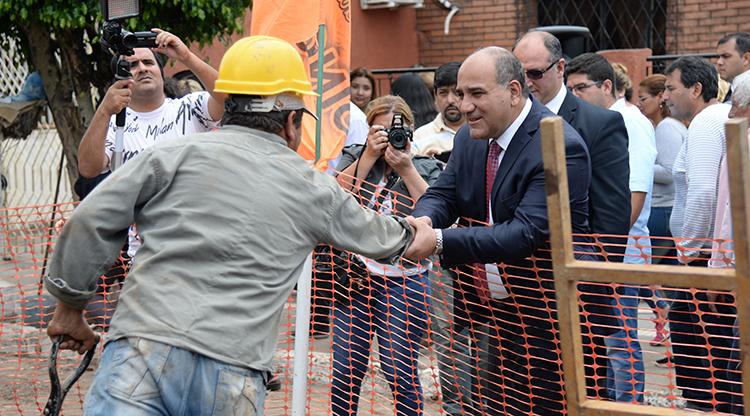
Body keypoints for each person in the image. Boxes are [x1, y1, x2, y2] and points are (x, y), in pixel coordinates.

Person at [43, 35, 434, 414]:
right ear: (292, 121)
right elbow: (389, 239)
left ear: (227, 104)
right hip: (232, 368)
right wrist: (426, 231)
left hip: (141, 347)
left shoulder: (169, 156)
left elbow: (91, 217)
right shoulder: (311, 186)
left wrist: (69, 306)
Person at [407, 46, 612, 416]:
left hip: (555, 322)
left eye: (476, 94)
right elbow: (443, 194)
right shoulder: (469, 139)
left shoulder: (558, 145)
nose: (463, 105)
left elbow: (524, 235)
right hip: (496, 316)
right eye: (459, 93)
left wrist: (436, 241)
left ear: (515, 91)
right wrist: (423, 220)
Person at [513, 31, 630, 399]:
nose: (527, 83)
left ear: (560, 67)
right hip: (519, 296)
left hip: (576, 297)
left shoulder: (599, 123)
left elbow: (611, 221)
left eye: (535, 73)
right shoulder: (511, 120)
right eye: (520, 75)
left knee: (583, 394)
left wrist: (590, 286)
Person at [331, 95, 441, 416]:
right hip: (356, 279)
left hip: (406, 281)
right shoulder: (356, 155)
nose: (387, 136)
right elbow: (335, 199)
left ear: (410, 130)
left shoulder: (426, 166)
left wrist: (405, 167)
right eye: (377, 130)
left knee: (400, 372)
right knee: (344, 372)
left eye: (394, 129)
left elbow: (436, 211)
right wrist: (367, 155)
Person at [566, 53, 657, 404]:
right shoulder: (607, 118)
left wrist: (607, 251)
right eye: (569, 88)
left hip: (619, 253)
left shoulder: (625, 120)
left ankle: (628, 405)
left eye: (581, 88)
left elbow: (632, 195)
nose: (574, 96)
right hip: (608, 252)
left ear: (607, 86)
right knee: (606, 339)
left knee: (619, 339)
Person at [663, 56, 733, 412]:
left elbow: (704, 193)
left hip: (703, 261)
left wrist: (689, 254)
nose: (664, 96)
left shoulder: (707, 121)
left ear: (696, 89)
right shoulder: (715, 119)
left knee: (703, 363)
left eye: (670, 87)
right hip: (712, 258)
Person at [707, 70, 750, 416]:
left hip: (744, 276)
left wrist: (718, 269)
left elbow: (729, 211)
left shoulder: (741, 142)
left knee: (739, 370)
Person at [636, 74, 687, 346]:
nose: (639, 104)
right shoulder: (668, 125)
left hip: (661, 210)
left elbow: (668, 171)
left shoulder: (667, 128)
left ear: (659, 98)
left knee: (640, 272)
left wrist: (636, 165)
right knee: (665, 276)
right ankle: (669, 328)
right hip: (666, 209)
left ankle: (663, 321)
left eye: (643, 98)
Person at [412, 61, 464, 162]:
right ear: (435, 96)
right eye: (443, 93)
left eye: (456, 93)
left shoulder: (481, 132)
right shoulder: (420, 136)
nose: (450, 100)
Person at [716, 32, 750, 103]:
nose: (719, 62)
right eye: (718, 57)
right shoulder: (733, 88)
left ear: (746, 58)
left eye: (726, 56)